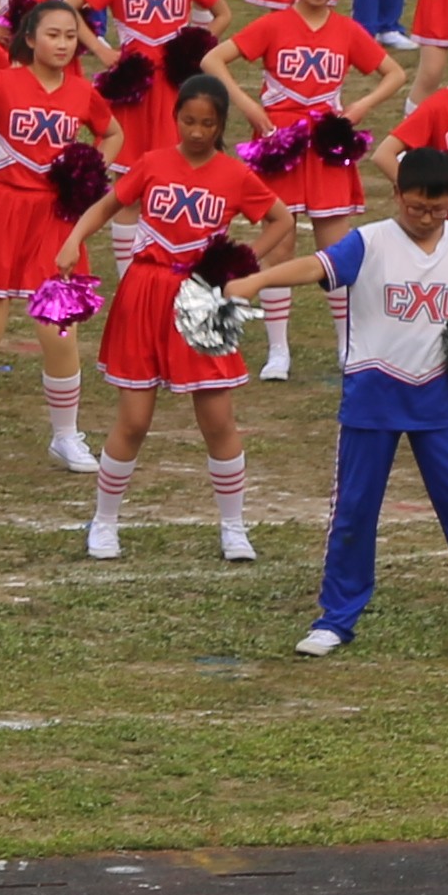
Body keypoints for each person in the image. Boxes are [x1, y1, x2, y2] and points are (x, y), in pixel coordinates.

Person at [216, 143, 448, 656]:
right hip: (373, 395)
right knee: (355, 510)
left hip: (438, 399)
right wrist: (258, 279)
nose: (425, 218)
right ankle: (335, 620)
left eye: (437, 209)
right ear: (397, 194)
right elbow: (314, 267)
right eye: (416, 206)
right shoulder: (370, 242)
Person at [79, 74, 283, 564]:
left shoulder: (234, 174)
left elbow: (282, 220)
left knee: (218, 420)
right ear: (175, 118)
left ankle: (233, 528)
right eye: (188, 121)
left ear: (221, 125)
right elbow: (108, 205)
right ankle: (104, 522)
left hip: (200, 301)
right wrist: (72, 241)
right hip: (145, 294)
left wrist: (242, 264)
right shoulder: (152, 163)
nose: (196, 132)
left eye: (207, 124)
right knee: (133, 421)